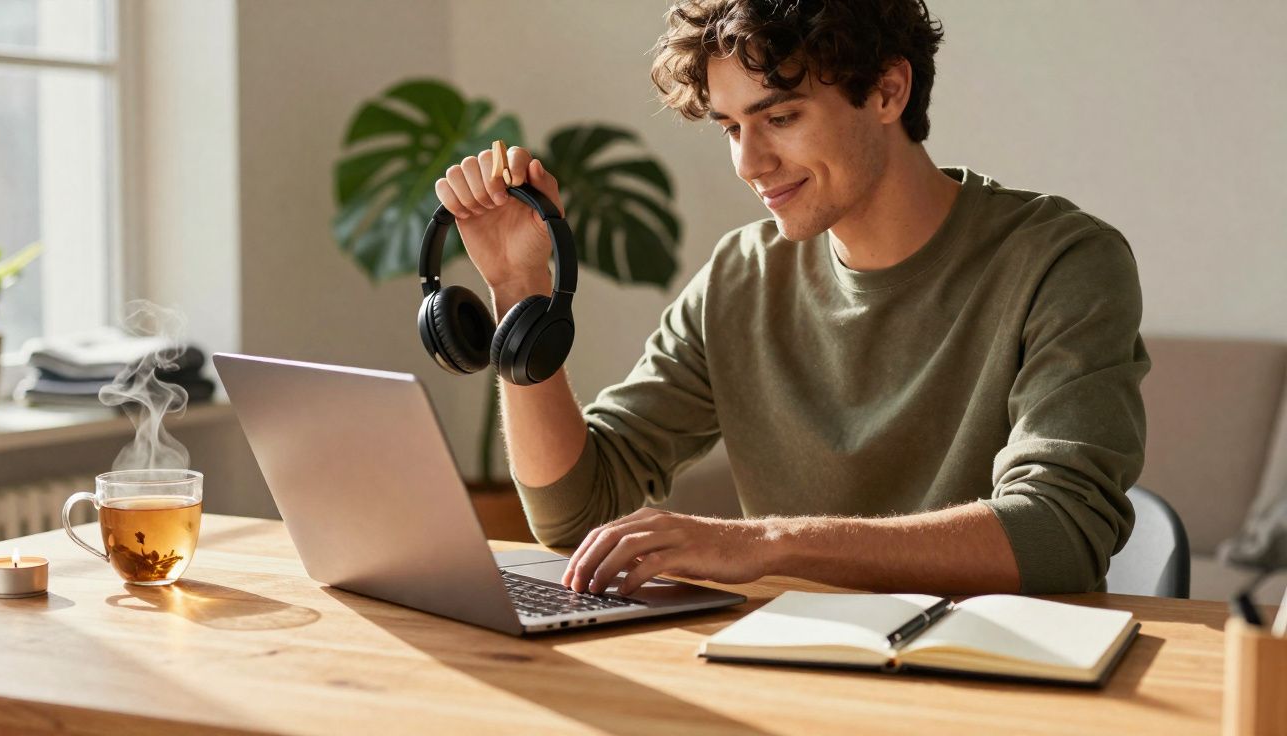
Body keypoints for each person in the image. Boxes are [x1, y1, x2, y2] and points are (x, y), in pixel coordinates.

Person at [432, 0, 1148, 599]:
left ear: (888, 92)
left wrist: (765, 543)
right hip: (792, 673)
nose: (750, 164)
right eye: (731, 128)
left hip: (994, 681)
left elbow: (1060, 534)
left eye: (780, 118)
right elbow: (575, 508)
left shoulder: (1062, 260)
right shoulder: (741, 277)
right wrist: (519, 291)